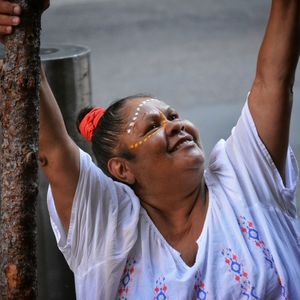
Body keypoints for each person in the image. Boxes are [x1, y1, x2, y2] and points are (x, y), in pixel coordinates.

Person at [0, 0, 299, 299]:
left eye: (173, 116)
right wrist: (15, 26)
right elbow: (52, 149)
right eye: (153, 127)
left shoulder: (244, 179)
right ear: (122, 168)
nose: (175, 125)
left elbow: (273, 81)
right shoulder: (107, 227)